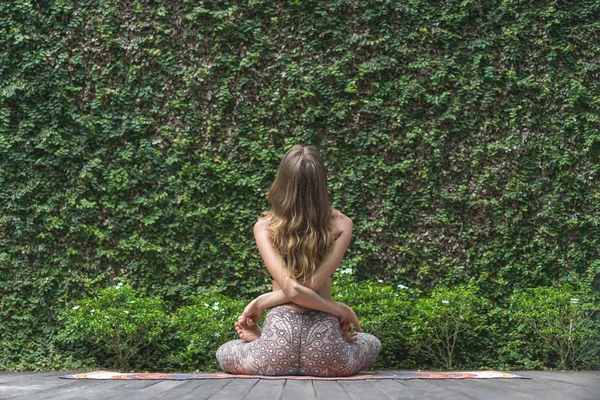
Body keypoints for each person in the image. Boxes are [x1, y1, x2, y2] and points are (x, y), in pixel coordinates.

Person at [216, 144, 381, 376]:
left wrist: (264, 300)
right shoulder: (342, 224)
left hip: (276, 345)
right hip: (326, 349)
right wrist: (339, 309)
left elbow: (294, 291)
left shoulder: (264, 227)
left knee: (226, 351)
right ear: (322, 184)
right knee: (369, 341)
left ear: (282, 182)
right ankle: (323, 346)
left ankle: (261, 342)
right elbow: (311, 285)